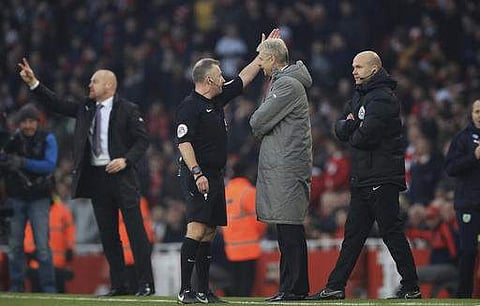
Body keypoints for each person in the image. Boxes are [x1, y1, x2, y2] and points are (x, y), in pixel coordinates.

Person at [18, 59, 155, 297]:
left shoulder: (128, 109)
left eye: (95, 81)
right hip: (97, 179)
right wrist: (34, 83)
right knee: (108, 235)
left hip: (122, 177)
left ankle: (145, 284)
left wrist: (125, 160)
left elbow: (142, 140)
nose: (89, 84)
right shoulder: (86, 108)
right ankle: (119, 285)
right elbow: (57, 104)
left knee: (135, 232)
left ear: (109, 85)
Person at [175, 28, 280, 304]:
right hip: (197, 173)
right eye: (220, 75)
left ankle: (203, 290)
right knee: (196, 228)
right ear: (209, 79)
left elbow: (243, 78)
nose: (224, 78)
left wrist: (262, 56)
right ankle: (185, 290)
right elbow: (183, 142)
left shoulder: (217, 99)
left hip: (215, 174)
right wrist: (196, 172)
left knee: (209, 232)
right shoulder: (190, 107)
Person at [307, 50, 421, 300]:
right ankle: (335, 286)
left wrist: (352, 127)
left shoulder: (383, 99)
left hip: (382, 177)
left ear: (374, 69)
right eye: (353, 66)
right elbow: (339, 128)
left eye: (358, 67)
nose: (354, 71)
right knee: (353, 236)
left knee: (390, 232)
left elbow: (364, 136)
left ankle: (411, 286)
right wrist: (351, 126)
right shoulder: (360, 96)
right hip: (363, 177)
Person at [249, 38, 312, 302]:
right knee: (289, 230)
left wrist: (259, 119)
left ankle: (291, 289)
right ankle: (295, 288)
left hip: (287, 166)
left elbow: (258, 120)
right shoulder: (284, 82)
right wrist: (264, 45)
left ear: (274, 60)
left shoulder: (286, 84)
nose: (260, 65)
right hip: (285, 166)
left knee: (289, 231)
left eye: (262, 59)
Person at [0, 103, 57, 293]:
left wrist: (22, 162)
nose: (28, 126)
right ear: (19, 124)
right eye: (24, 122)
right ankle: (17, 287)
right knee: (15, 245)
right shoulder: (13, 139)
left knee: (41, 246)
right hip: (16, 196)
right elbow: (3, 158)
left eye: (31, 121)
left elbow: (49, 165)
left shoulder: (47, 138)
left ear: (38, 122)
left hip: (39, 197)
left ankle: (48, 288)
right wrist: (8, 162)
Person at [444, 98, 480, 298]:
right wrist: (473, 156)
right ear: (472, 114)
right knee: (468, 251)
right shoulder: (462, 138)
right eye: (477, 111)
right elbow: (450, 168)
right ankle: (463, 296)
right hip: (469, 204)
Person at [222, 161, 266, 297]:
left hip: (231, 248)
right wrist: (257, 235)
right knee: (246, 289)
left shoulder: (225, 192)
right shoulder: (249, 192)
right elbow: (261, 219)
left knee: (236, 288)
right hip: (249, 248)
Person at [24, 194, 76, 293]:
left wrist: (70, 248)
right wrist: (30, 251)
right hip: (40, 263)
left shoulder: (63, 211)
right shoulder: (62, 211)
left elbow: (70, 232)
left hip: (55, 264)